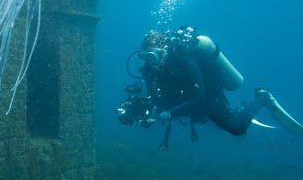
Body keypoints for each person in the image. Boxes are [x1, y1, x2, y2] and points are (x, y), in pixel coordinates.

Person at [116, 26, 303, 150]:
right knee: (201, 118)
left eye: (152, 55)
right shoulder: (151, 71)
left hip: (208, 98)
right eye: (144, 57)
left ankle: (262, 97)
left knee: (237, 128)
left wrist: (171, 113)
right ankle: (239, 108)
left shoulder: (185, 60)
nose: (150, 61)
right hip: (184, 104)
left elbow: (200, 98)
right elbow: (154, 99)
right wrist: (137, 111)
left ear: (163, 50)